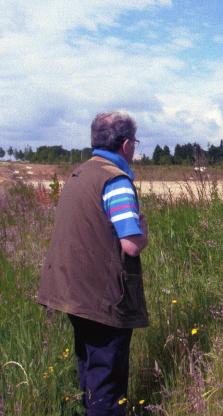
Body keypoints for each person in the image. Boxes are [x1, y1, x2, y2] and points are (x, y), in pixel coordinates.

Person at [37, 111, 149, 415]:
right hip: (102, 299)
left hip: (70, 292)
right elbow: (131, 244)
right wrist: (144, 233)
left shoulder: (79, 174)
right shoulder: (116, 181)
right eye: (135, 142)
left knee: (89, 367)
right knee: (107, 381)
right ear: (126, 144)